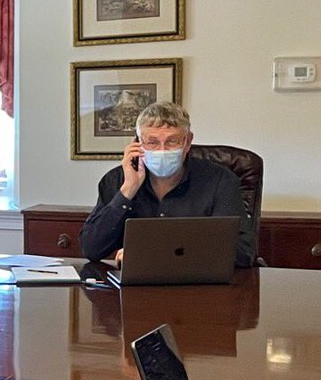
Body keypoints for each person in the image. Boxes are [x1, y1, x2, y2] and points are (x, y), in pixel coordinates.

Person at [80, 102, 254, 268]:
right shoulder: (117, 180)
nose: (162, 150)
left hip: (200, 288)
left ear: (187, 142)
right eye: (152, 142)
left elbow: (242, 253)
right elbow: (91, 249)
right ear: (137, 143)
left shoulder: (220, 181)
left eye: (172, 141)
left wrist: (150, 254)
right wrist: (127, 190)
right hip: (134, 291)